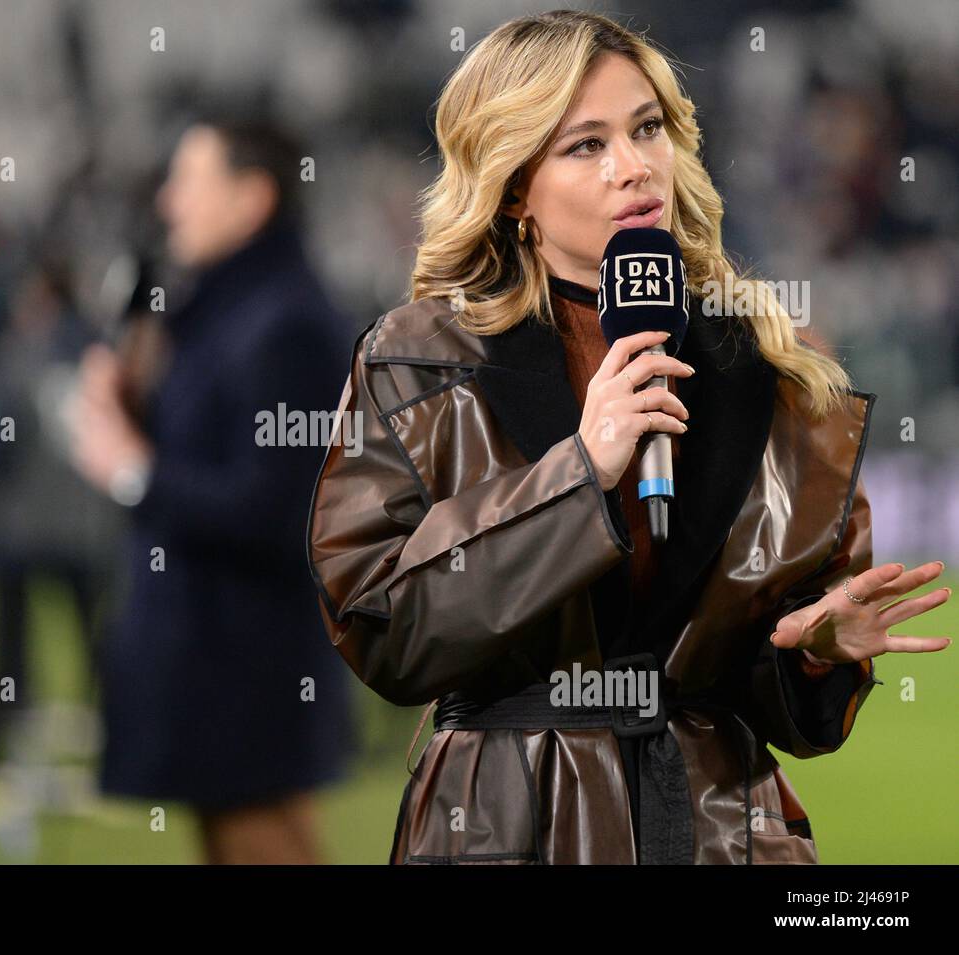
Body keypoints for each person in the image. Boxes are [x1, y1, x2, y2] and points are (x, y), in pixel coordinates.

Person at [305, 10, 951, 865]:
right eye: (586, 145)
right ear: (511, 186)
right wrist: (580, 474)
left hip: (722, 833)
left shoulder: (768, 366)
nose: (635, 165)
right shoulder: (419, 359)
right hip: (502, 826)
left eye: (648, 128)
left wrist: (814, 650)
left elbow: (773, 676)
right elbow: (382, 623)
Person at [72, 115, 355, 864]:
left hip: (245, 659)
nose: (169, 203)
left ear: (252, 197)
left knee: (260, 839)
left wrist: (132, 468)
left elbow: (279, 508)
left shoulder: (286, 324)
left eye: (188, 181)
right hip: (216, 652)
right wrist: (132, 405)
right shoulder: (228, 312)